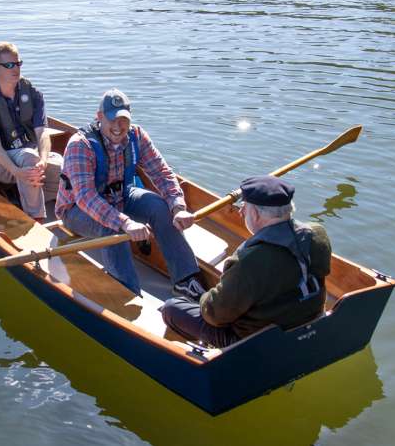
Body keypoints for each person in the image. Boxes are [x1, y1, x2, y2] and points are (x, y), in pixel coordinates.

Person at [55, 89, 205, 297]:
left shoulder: (136, 136)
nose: (118, 127)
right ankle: (128, 292)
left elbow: (161, 172)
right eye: (112, 120)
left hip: (121, 196)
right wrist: (125, 223)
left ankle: (185, 279)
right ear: (99, 117)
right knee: (112, 229)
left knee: (161, 207)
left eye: (123, 120)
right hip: (76, 211)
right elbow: (85, 197)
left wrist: (178, 207)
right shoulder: (80, 145)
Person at [161, 175, 332, 348]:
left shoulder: (250, 260)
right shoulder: (318, 234)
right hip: (309, 320)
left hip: (256, 342)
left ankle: (213, 349)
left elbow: (215, 315)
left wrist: (204, 298)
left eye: (245, 207)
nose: (241, 212)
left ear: (256, 214)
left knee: (171, 309)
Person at [0, 41, 62, 222]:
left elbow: (42, 133)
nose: (16, 69)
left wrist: (43, 160)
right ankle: (36, 218)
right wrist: (15, 170)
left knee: (62, 165)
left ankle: (27, 196)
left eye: (18, 63)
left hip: (31, 158)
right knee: (28, 157)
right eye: (9, 65)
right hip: (0, 163)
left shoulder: (34, 94)